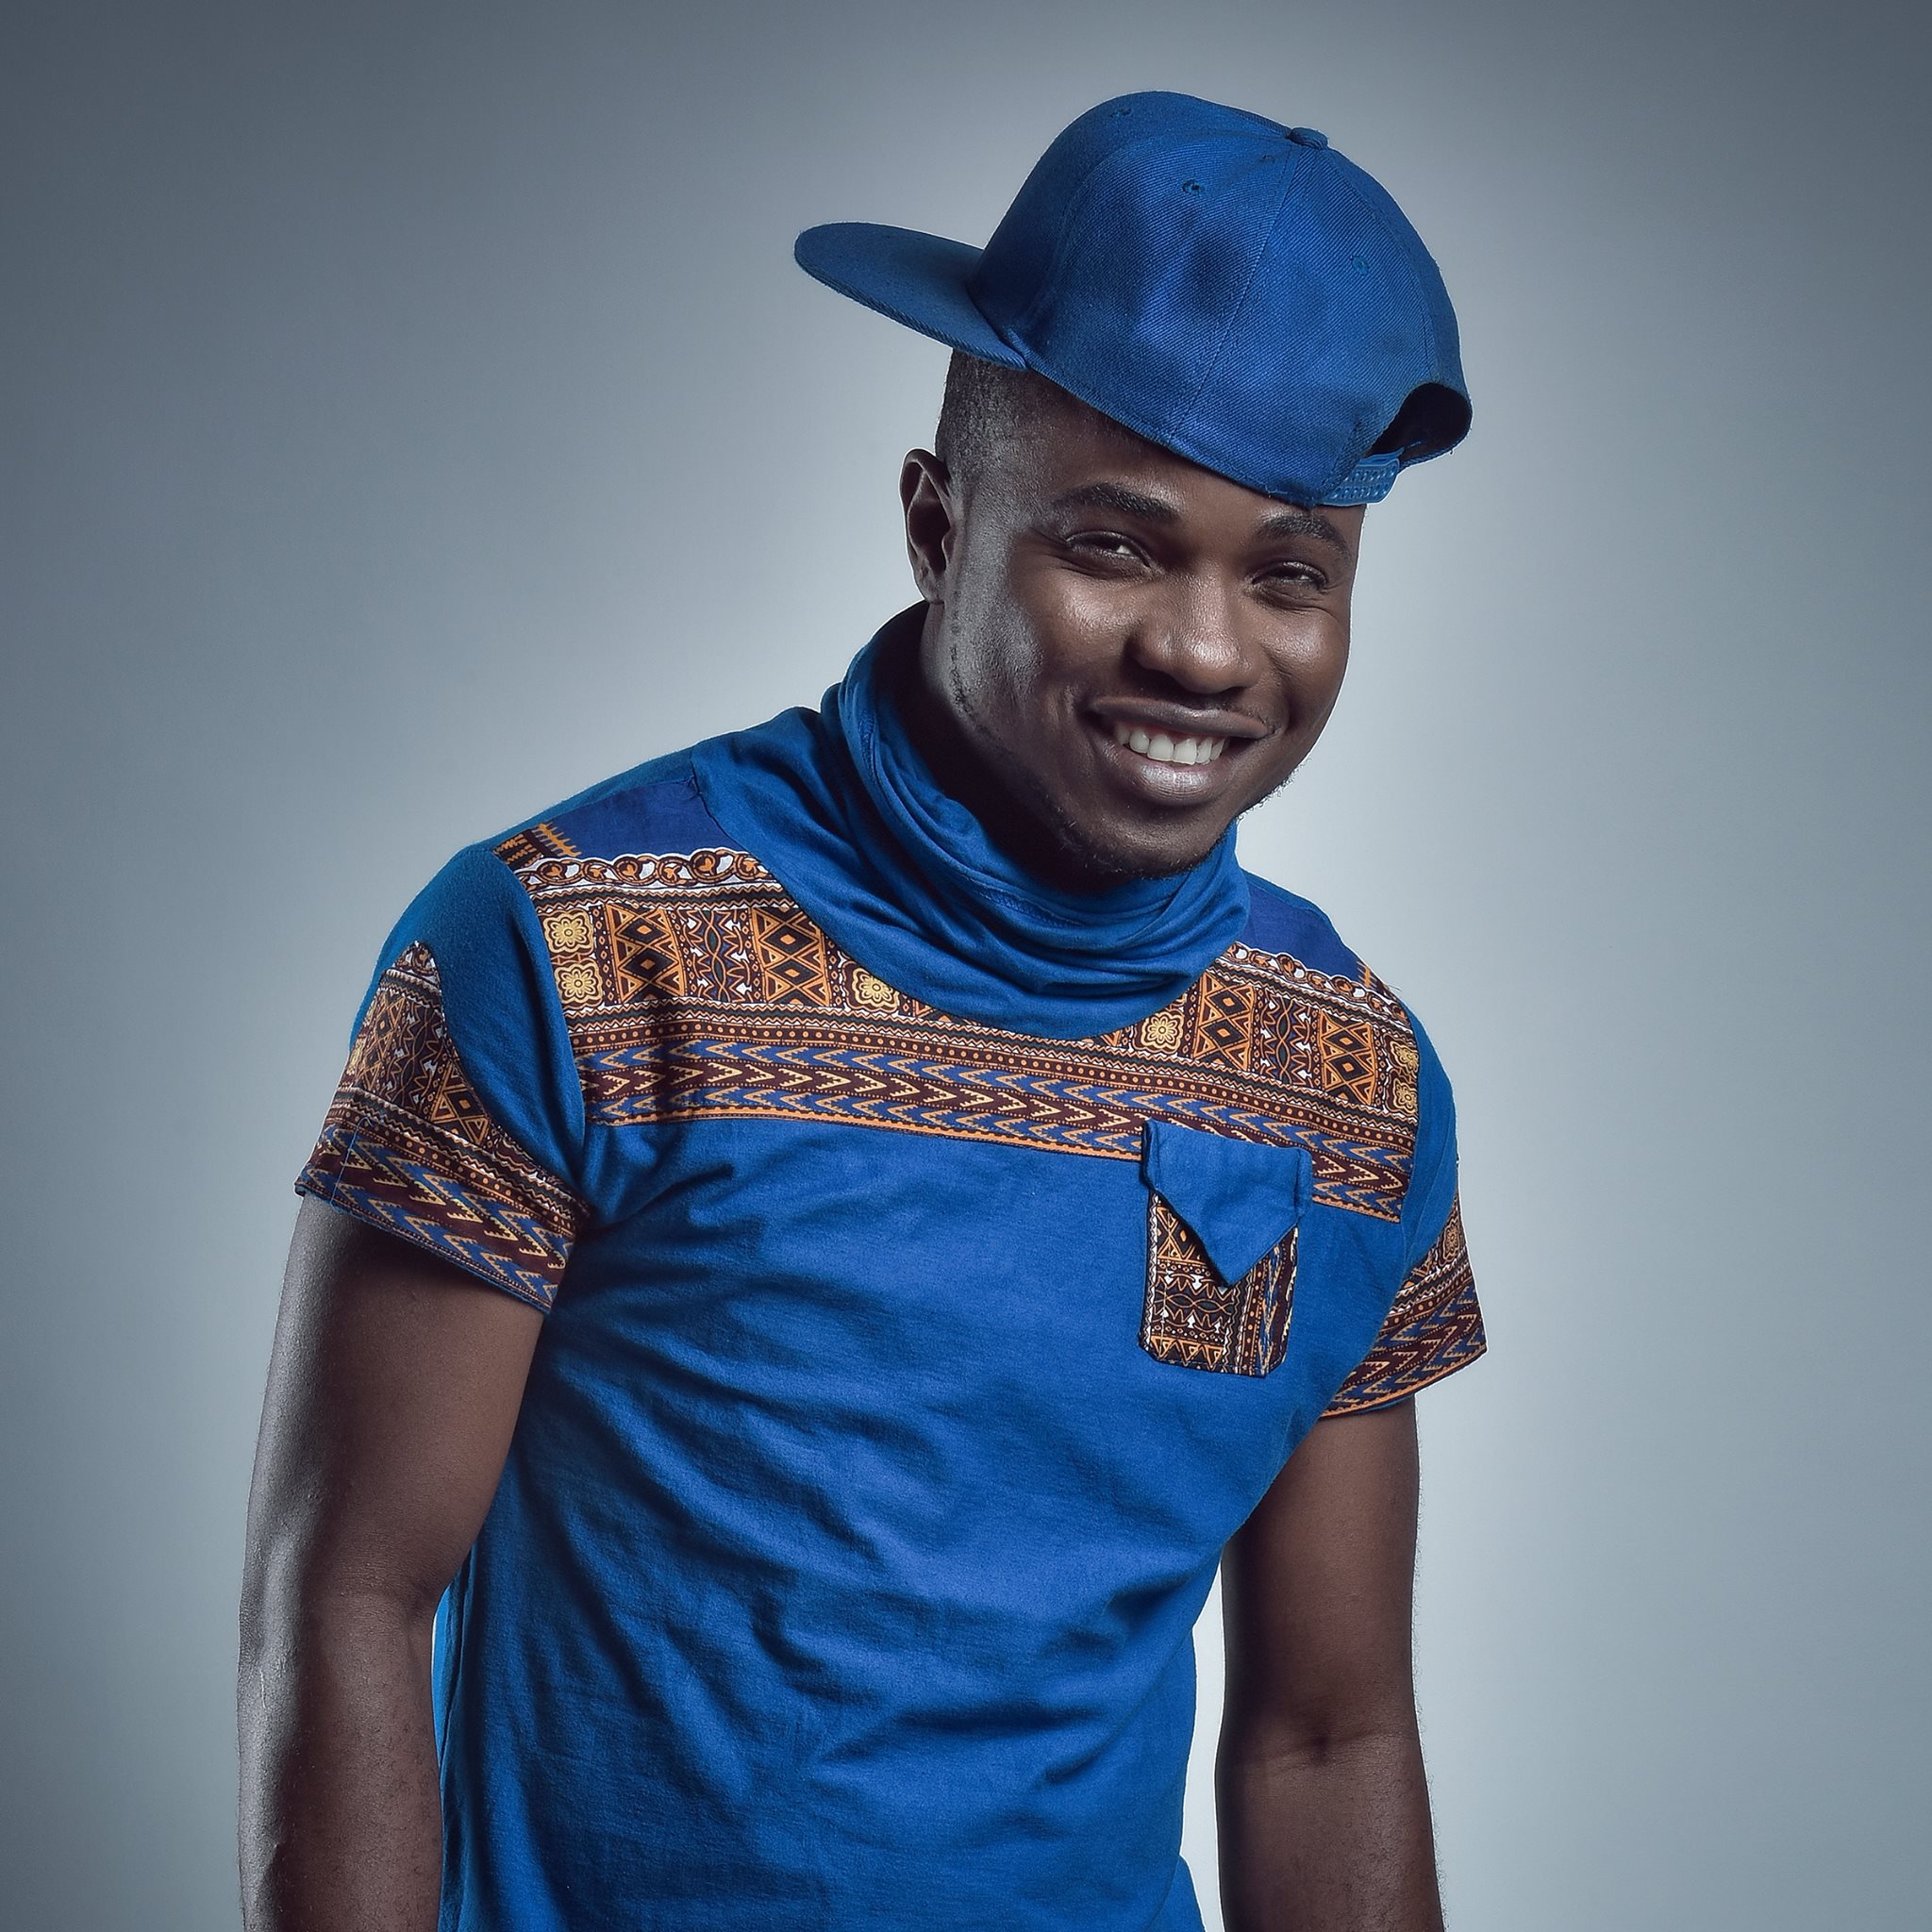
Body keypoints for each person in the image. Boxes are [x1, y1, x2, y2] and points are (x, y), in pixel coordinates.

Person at [239, 90, 1486, 1932]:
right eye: (1115, 546)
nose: (1207, 650)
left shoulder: (1352, 1082)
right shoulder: (575, 949)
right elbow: (346, 1597)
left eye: (1288, 573)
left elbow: (1328, 1735)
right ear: (934, 519)